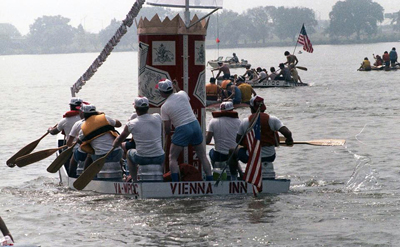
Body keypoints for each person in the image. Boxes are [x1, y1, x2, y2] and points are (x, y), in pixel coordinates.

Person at [157, 79, 213, 181]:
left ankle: (175, 183)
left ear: (161, 93)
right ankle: (210, 180)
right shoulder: (182, 94)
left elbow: (167, 128)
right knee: (202, 156)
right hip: (195, 124)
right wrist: (177, 86)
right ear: (172, 87)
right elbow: (181, 93)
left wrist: (167, 133)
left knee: (172, 157)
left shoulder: (164, 107)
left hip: (183, 128)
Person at [228, 95, 293, 179]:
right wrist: (289, 139)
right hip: (270, 156)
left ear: (251, 108)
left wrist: (246, 144)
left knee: (231, 151)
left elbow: (238, 140)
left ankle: (234, 178)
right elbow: (287, 132)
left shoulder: (245, 121)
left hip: (251, 156)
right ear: (264, 107)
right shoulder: (273, 119)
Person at [112, 97, 164, 182]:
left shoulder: (131, 124)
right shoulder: (158, 117)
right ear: (148, 107)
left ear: (135, 108)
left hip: (142, 158)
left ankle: (135, 180)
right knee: (160, 152)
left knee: (129, 153)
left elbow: (119, 140)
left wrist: (114, 145)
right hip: (159, 157)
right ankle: (160, 178)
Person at [206, 101, 241, 179]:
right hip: (234, 155)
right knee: (234, 152)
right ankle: (237, 174)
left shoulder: (213, 121)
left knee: (211, 152)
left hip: (219, 155)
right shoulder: (238, 122)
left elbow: (207, 141)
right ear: (232, 110)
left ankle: (215, 171)